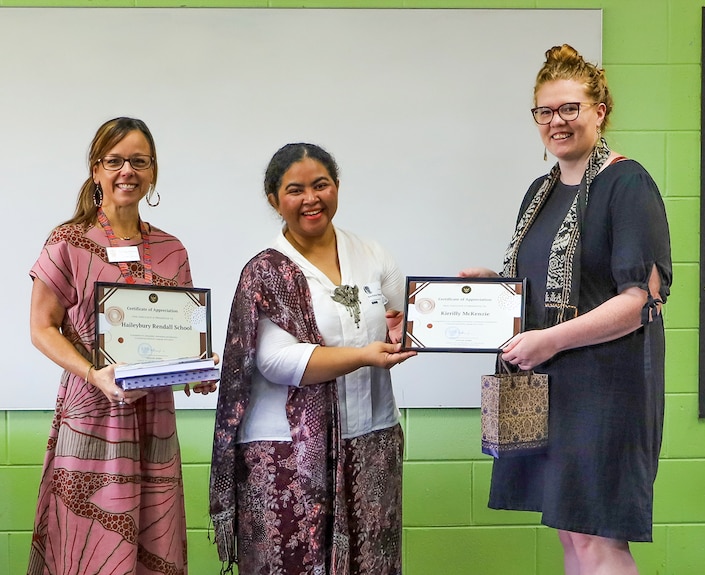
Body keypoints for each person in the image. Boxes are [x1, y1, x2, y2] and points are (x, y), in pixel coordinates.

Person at [460, 44, 672, 575]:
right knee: (570, 535)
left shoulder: (627, 184)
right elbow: (548, 287)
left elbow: (640, 302)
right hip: (543, 384)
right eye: (545, 111)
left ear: (600, 111)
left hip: (605, 387)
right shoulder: (542, 190)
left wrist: (549, 339)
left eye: (569, 108)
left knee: (599, 541)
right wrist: (496, 287)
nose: (557, 122)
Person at [210, 142, 416, 575]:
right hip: (285, 452)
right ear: (274, 200)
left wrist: (403, 331)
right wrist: (362, 355)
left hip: (371, 438)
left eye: (321, 185)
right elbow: (276, 361)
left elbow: (405, 315)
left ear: (337, 187)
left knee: (370, 564)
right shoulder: (267, 269)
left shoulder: (372, 254)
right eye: (295, 189)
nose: (311, 199)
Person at [27, 116, 217, 575]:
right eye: (114, 161)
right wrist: (94, 373)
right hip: (92, 412)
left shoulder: (173, 249)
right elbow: (41, 328)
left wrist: (196, 370)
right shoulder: (67, 242)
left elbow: (183, 337)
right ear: (96, 171)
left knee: (156, 544)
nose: (126, 171)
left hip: (153, 417)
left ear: (152, 172)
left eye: (138, 161)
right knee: (91, 549)